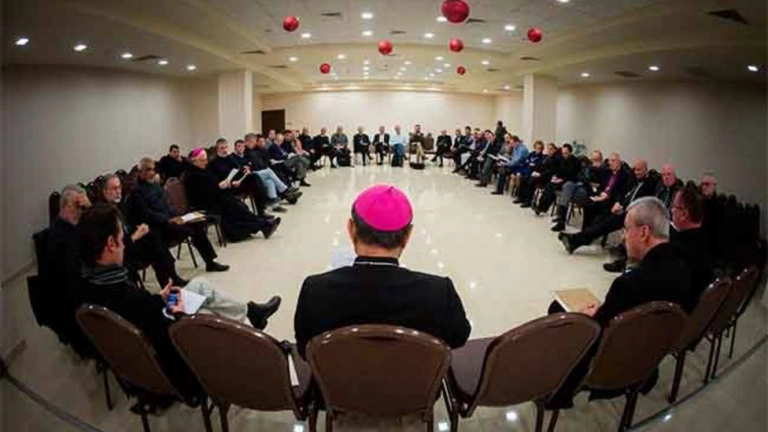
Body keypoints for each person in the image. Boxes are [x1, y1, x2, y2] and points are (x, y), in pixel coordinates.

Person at [75, 203, 282, 400]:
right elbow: (167, 332)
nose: (125, 244)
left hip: (149, 332)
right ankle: (255, 347)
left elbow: (144, 312)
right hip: (175, 361)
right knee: (211, 314)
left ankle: (250, 312)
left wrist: (161, 299)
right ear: (111, 244)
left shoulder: (86, 285)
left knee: (200, 285)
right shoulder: (128, 296)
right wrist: (179, 311)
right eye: (122, 238)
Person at [546, 197, 692, 409]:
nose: (623, 236)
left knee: (558, 308)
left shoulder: (629, 284)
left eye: (626, 229)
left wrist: (590, 316)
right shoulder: (684, 271)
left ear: (643, 232)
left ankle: (559, 390)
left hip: (614, 365)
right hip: (649, 357)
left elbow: (601, 334)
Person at [294, 185, 471, 358]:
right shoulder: (439, 293)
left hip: (336, 378)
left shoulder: (315, 290)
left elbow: (305, 351)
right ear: (408, 235)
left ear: (351, 229)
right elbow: (459, 338)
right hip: (414, 378)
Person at [127, 157, 230, 272]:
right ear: (140, 172)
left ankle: (210, 263)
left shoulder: (155, 185)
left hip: (170, 220)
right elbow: (147, 214)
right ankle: (173, 277)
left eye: (153, 170)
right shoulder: (136, 192)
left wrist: (177, 216)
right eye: (148, 170)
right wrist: (168, 219)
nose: (151, 173)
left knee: (197, 225)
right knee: (190, 229)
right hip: (159, 226)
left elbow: (167, 204)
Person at [100, 174, 186, 287]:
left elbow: (128, 224)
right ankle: (170, 281)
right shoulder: (102, 214)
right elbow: (112, 244)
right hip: (122, 253)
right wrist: (135, 236)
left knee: (155, 237)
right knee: (156, 245)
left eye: (119, 187)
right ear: (105, 191)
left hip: (130, 243)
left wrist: (138, 229)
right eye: (114, 188)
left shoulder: (119, 205)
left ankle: (171, 280)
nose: (118, 191)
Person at [558, 159, 658, 254]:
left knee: (606, 223)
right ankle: (577, 240)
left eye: (639, 170)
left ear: (646, 169)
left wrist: (628, 208)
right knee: (598, 215)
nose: (636, 172)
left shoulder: (650, 184)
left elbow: (646, 202)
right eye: (635, 169)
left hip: (635, 213)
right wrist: (618, 203)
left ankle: (575, 240)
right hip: (622, 208)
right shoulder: (633, 179)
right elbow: (623, 192)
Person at [184, 148, 281, 242]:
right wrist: (218, 186)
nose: (205, 162)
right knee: (234, 206)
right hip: (205, 204)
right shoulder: (191, 174)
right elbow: (202, 192)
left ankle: (264, 225)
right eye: (202, 160)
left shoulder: (204, 169)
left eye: (206, 159)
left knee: (238, 205)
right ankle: (264, 225)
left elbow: (213, 183)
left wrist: (223, 184)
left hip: (215, 198)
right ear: (194, 161)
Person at [43, 185, 93, 351]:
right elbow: (74, 274)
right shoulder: (59, 233)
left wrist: (89, 208)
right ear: (64, 206)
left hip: (79, 279)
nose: (80, 211)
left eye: (81, 207)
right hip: (70, 294)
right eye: (76, 206)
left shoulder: (73, 225)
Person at [671, 183, 714, 309]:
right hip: (700, 310)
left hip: (679, 313)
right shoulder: (705, 240)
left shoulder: (678, 249)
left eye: (674, 207)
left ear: (684, 214)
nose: (671, 210)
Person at [207, 138, 270, 215]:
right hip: (227, 188)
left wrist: (244, 172)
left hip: (237, 183)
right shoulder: (214, 163)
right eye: (222, 148)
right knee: (255, 181)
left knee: (254, 177)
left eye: (226, 147)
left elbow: (238, 169)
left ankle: (261, 211)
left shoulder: (230, 158)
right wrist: (229, 182)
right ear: (217, 149)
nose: (225, 150)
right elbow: (216, 179)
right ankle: (258, 213)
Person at [243, 133, 302, 212]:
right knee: (269, 171)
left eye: (254, 142)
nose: (254, 144)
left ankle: (275, 205)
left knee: (270, 181)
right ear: (247, 141)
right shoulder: (245, 151)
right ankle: (285, 190)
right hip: (251, 175)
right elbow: (250, 164)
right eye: (252, 142)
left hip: (259, 172)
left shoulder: (254, 151)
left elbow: (260, 163)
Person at [551, 150, 604, 232]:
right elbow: (579, 176)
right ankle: (561, 221)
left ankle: (561, 218)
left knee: (567, 193)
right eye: (593, 158)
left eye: (597, 159)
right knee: (568, 185)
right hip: (579, 185)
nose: (594, 160)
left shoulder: (603, 169)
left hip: (588, 190)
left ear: (600, 159)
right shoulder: (587, 167)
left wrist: (588, 180)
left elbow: (597, 182)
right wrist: (586, 180)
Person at [534, 143, 581, 215]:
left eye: (566, 153)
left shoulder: (575, 161)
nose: (564, 155)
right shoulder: (561, 159)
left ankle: (542, 208)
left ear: (570, 152)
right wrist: (555, 176)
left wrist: (562, 179)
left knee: (552, 188)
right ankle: (540, 207)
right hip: (559, 180)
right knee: (548, 186)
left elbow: (574, 175)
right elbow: (557, 170)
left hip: (569, 181)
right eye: (563, 153)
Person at [517, 143, 560, 208]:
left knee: (531, 180)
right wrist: (536, 171)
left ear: (554, 150)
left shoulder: (555, 159)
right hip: (542, 174)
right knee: (524, 178)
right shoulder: (547, 157)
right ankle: (521, 198)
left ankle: (528, 201)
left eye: (551, 149)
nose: (549, 150)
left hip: (547, 177)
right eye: (548, 149)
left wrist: (540, 174)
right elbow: (541, 166)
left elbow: (551, 171)